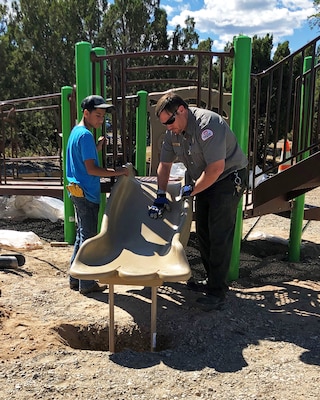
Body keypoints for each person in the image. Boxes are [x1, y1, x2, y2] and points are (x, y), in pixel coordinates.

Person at [149, 92, 248, 310]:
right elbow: (164, 166)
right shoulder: (173, 133)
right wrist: (160, 195)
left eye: (170, 121)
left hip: (227, 178)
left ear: (181, 110)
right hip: (204, 179)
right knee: (203, 231)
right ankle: (211, 280)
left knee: (219, 233)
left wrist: (192, 190)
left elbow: (216, 168)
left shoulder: (208, 124)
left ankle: (217, 291)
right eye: (164, 124)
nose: (168, 127)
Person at [66, 94, 129, 295]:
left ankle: (75, 278)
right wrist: (120, 172)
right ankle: (87, 283)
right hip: (86, 192)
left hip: (76, 190)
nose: (101, 120)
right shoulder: (85, 136)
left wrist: (98, 147)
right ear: (86, 113)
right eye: (98, 115)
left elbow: (81, 159)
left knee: (82, 235)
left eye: (103, 116)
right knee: (89, 238)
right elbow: (92, 169)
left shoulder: (76, 132)